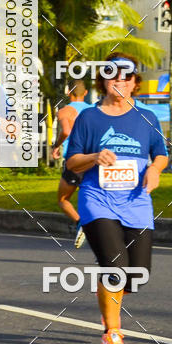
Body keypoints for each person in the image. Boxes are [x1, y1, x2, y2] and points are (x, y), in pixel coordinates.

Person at [65, 54, 168, 344]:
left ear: (135, 82)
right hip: (98, 201)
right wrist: (95, 157)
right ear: (103, 80)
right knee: (115, 267)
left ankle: (108, 299)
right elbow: (72, 162)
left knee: (137, 275)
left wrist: (154, 169)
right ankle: (112, 331)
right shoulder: (89, 117)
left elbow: (160, 153)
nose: (119, 80)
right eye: (112, 74)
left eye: (127, 75)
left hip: (136, 203)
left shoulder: (148, 117)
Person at [51, 79, 93, 247]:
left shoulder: (65, 111)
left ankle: (80, 222)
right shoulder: (94, 110)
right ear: (86, 93)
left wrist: (56, 146)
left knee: (63, 199)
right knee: (94, 200)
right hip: (93, 160)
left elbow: (66, 131)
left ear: (68, 93)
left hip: (75, 161)